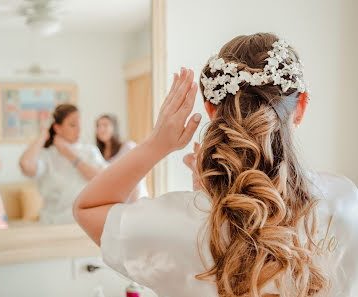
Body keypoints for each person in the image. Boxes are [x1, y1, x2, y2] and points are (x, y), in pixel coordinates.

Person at [73, 33, 358, 297]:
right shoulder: (343, 200)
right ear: (301, 106)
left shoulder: (176, 224)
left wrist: (157, 144)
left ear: (211, 109)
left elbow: (87, 209)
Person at [20, 104, 107, 224]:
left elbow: (101, 179)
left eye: (79, 125)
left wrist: (68, 153)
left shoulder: (89, 151)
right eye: (72, 125)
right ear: (57, 128)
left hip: (86, 222)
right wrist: (43, 136)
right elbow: (25, 165)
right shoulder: (47, 155)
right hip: (54, 223)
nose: (78, 130)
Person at [96, 114, 149, 199]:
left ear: (114, 127)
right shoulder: (98, 154)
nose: (101, 129)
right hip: (117, 202)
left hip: (135, 200)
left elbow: (137, 176)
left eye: (105, 125)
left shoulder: (128, 147)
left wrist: (134, 204)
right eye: (98, 126)